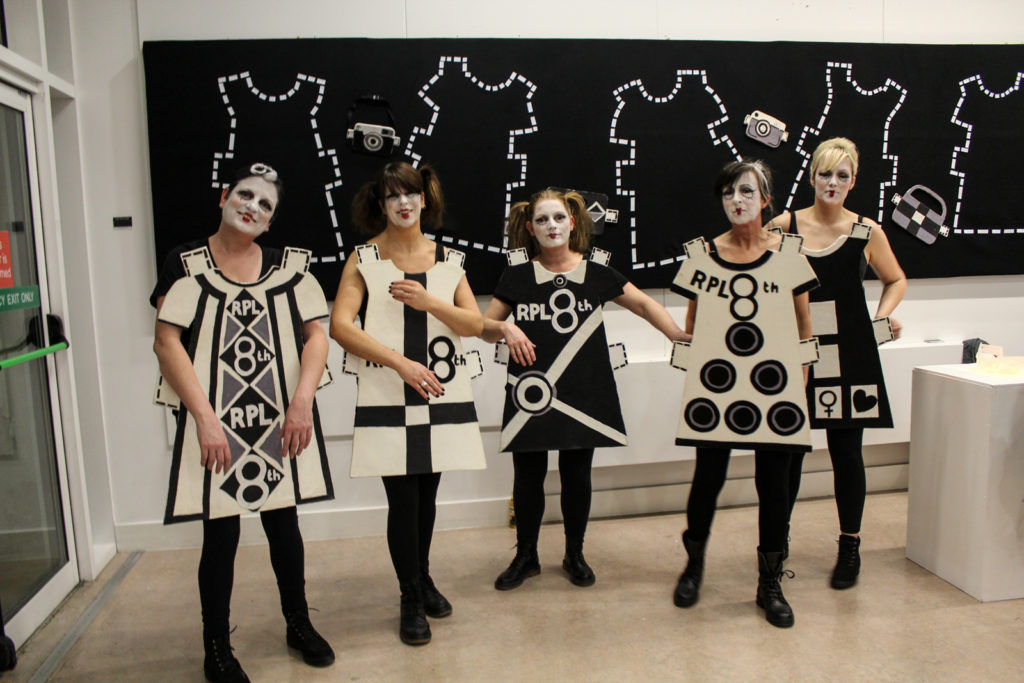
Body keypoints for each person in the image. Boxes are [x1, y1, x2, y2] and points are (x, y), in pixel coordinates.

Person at [151, 163, 335, 682]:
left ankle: (298, 624)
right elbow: (168, 341)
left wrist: (302, 402)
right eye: (244, 195)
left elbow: (317, 336)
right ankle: (216, 647)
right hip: (215, 420)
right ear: (223, 197)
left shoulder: (289, 266)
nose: (252, 206)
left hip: (280, 419)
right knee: (221, 535)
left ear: (270, 223)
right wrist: (206, 420)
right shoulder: (183, 264)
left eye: (265, 205)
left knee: (284, 525)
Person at [480, 189, 690, 590]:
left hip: (583, 388)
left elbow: (644, 304)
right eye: (542, 220)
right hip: (532, 391)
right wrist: (504, 327)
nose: (551, 226)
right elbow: (486, 329)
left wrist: (676, 333)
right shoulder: (517, 276)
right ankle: (526, 556)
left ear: (572, 222)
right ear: (530, 228)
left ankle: (574, 553)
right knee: (528, 475)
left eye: (558, 218)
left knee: (577, 474)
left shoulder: (595, 271)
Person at [330, 161, 486, 646]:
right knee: (403, 499)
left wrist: (429, 302)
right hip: (386, 391)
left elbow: (473, 324)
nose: (403, 203)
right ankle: (410, 596)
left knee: (428, 495)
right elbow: (341, 326)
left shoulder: (448, 259)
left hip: (441, 391)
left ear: (424, 198)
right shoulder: (363, 258)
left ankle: (421, 578)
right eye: (392, 195)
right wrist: (400, 363)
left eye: (410, 193)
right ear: (380, 203)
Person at [670, 160, 817, 628]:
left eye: (747, 191)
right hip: (717, 386)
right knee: (706, 480)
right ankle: (693, 565)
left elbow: (804, 328)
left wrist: (803, 385)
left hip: (777, 390)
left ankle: (769, 582)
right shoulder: (700, 255)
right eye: (729, 192)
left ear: (766, 200)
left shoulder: (790, 254)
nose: (737, 199)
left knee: (774, 486)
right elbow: (692, 329)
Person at [768, 137, 907, 589]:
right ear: (811, 177)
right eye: (825, 173)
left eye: (842, 175)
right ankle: (778, 541)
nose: (833, 182)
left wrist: (881, 319)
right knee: (787, 451)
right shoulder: (784, 225)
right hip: (794, 349)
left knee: (846, 452)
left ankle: (850, 547)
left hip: (849, 351)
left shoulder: (867, 230)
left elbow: (895, 278)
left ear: (854, 182)